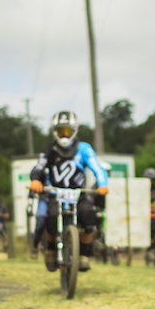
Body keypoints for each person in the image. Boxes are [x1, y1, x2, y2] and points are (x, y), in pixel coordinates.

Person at [28, 111, 108, 272]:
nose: (64, 135)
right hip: (56, 194)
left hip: (79, 194)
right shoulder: (49, 150)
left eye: (68, 131)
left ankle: (84, 255)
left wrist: (102, 184)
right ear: (54, 131)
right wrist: (36, 179)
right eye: (60, 131)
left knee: (88, 217)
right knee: (50, 219)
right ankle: (50, 250)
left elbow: (98, 168)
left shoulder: (84, 149)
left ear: (75, 130)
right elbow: (38, 167)